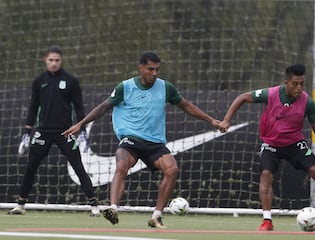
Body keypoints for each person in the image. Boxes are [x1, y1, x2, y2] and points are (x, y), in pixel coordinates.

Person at [62, 51, 220, 228]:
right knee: (121, 165)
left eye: (157, 69)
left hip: (155, 142)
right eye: (150, 69)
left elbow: (187, 106)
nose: (154, 73)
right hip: (131, 139)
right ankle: (113, 208)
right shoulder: (125, 87)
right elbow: (103, 107)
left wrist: (212, 120)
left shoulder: (166, 87)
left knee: (172, 169)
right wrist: (80, 124)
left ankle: (157, 216)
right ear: (141, 68)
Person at [218, 64, 315, 231]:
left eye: (302, 84)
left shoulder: (308, 102)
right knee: (266, 174)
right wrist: (227, 120)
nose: (299, 88)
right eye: (295, 84)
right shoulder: (270, 94)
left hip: (295, 144)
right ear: (287, 82)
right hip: (271, 144)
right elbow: (242, 97)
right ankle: (267, 221)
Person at [8, 45, 100, 217]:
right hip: (42, 132)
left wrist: (82, 131)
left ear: (61, 60)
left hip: (66, 132)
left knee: (79, 167)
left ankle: (94, 206)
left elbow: (79, 107)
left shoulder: (71, 81)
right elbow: (33, 109)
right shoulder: (38, 82)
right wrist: (27, 134)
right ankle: (20, 205)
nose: (54, 63)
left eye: (57, 60)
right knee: (30, 168)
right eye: (51, 60)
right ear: (45, 60)